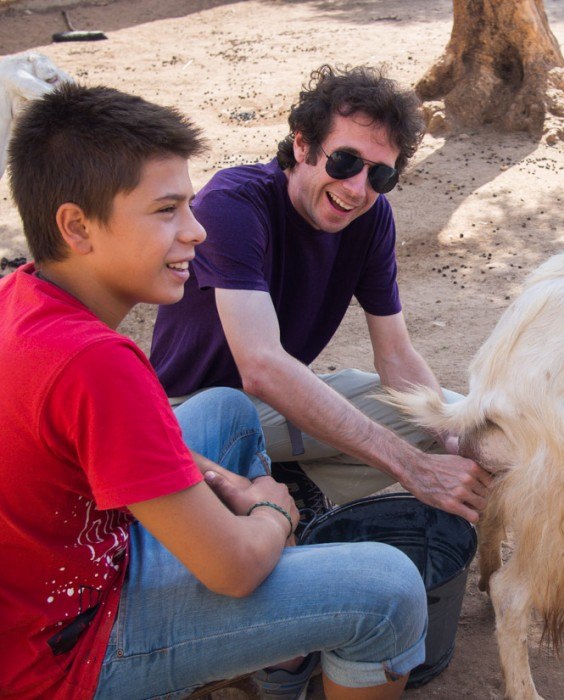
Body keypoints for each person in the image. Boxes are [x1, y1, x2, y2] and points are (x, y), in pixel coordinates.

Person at [0, 83, 427, 700]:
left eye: (190, 207)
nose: (196, 232)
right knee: (390, 590)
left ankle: (276, 652)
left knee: (227, 412)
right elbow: (231, 569)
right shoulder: (98, 364)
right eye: (167, 210)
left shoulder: (25, 297)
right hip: (73, 656)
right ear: (77, 226)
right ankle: (278, 658)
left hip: (58, 583)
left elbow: (106, 451)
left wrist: (227, 484)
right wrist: (272, 514)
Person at [148, 65, 492, 522]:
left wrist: (452, 446)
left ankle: (291, 491)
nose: (356, 189)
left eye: (380, 176)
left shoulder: (370, 219)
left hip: (273, 408)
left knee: (451, 416)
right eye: (345, 161)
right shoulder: (234, 204)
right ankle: (239, 499)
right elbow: (262, 368)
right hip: (191, 414)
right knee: (233, 406)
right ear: (302, 144)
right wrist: (416, 469)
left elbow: (394, 355)